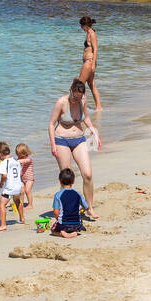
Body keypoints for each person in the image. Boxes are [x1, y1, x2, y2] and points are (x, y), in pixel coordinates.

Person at [48, 79, 101, 220]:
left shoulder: (82, 100)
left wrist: (94, 132)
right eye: (74, 96)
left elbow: (86, 119)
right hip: (61, 140)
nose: (76, 99)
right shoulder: (61, 102)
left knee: (88, 174)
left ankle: (89, 207)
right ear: (70, 90)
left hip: (79, 139)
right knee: (67, 177)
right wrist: (53, 144)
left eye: (79, 97)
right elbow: (51, 123)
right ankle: (63, 210)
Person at [0, 141, 25, 231]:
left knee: (2, 204)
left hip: (10, 188)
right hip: (18, 186)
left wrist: (1, 182)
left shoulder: (3, 163)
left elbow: (4, 176)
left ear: (0, 154)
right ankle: (22, 218)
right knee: (17, 201)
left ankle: (3, 225)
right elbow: (21, 173)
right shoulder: (16, 161)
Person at [50, 167, 86, 236]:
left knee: (52, 230)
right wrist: (81, 210)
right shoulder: (78, 194)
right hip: (77, 224)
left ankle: (62, 233)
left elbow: (55, 212)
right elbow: (86, 206)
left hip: (63, 224)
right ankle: (74, 232)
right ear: (73, 181)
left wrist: (58, 219)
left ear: (59, 181)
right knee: (75, 223)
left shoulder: (58, 195)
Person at [78, 15, 100, 111]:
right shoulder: (88, 33)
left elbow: (95, 50)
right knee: (91, 85)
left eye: (81, 26)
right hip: (88, 61)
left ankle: (82, 106)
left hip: (89, 61)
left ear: (85, 25)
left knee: (80, 84)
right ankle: (98, 107)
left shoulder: (92, 34)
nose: (81, 28)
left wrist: (93, 64)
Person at [15, 142, 35, 210]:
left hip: (29, 178)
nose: (18, 157)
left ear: (25, 153)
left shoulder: (29, 159)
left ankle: (30, 204)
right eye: (18, 155)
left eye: (20, 155)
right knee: (21, 191)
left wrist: (17, 161)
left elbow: (25, 161)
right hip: (22, 179)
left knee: (27, 190)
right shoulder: (18, 160)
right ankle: (21, 203)